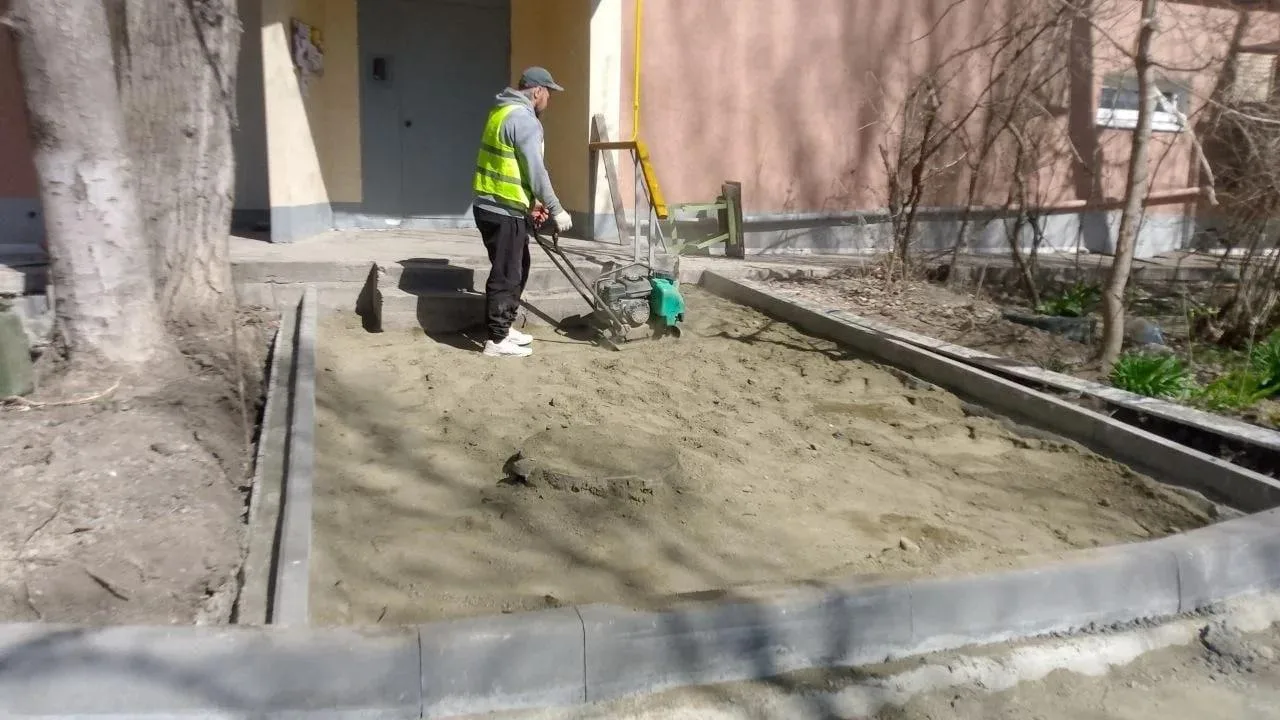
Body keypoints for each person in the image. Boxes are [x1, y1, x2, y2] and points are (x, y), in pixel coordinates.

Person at [472, 66, 573, 358]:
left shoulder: (501, 111)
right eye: (549, 94)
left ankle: (505, 327)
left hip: (495, 205)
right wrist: (556, 209)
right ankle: (497, 340)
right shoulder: (524, 120)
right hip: (502, 210)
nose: (548, 100)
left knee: (519, 266)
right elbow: (535, 171)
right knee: (507, 273)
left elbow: (512, 166)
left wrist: (532, 204)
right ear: (538, 91)